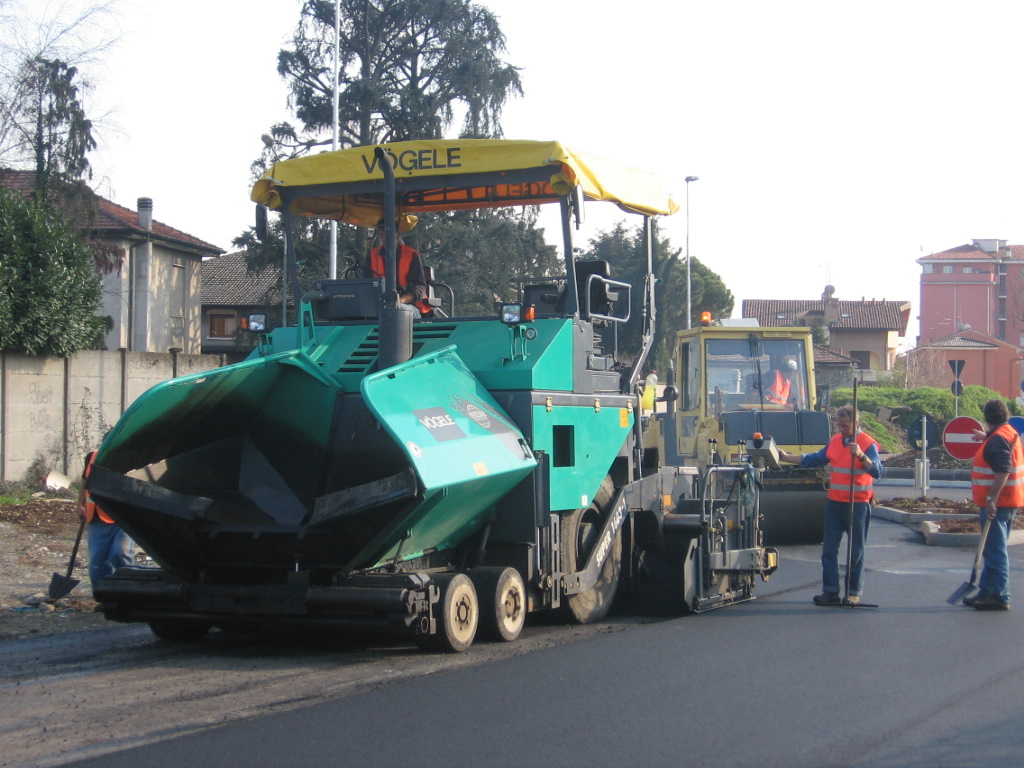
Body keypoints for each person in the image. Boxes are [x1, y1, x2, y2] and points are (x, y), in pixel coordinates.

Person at [777, 404, 884, 605]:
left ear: (856, 423)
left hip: (857, 506)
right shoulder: (835, 442)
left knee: (856, 553)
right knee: (829, 551)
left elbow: (878, 471)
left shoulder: (867, 444)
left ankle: (853, 593)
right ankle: (831, 591)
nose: (841, 429)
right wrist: (785, 457)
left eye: (845, 425)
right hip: (835, 504)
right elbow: (813, 459)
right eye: (839, 425)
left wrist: (861, 455)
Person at [964, 399, 1024, 611]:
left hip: (998, 503)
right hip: (1009, 500)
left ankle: (999, 594)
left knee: (995, 550)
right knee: (991, 549)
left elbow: (1003, 469)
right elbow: (1002, 446)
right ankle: (987, 590)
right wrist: (986, 436)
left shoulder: (998, 439)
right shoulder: (1007, 432)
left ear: (987, 418)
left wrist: (991, 499)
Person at [77, 450, 135, 598]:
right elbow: (85, 479)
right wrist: (80, 504)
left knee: (120, 554)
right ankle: (104, 597)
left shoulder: (132, 456)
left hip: (124, 518)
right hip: (97, 517)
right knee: (97, 562)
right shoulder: (92, 456)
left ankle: (130, 592)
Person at [363, 226, 431, 317]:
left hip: (410, 306)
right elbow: (365, 286)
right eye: (382, 235)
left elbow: (419, 287)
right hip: (379, 308)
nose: (385, 239)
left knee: (396, 312)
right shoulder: (371, 256)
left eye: (388, 235)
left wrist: (400, 301)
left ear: (397, 235)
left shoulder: (411, 255)